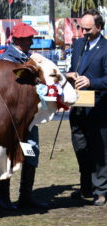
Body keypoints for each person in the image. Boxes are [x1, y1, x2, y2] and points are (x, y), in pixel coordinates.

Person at [0, 22, 49, 210]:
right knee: (9, 156)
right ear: (18, 40)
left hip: (28, 118)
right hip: (11, 119)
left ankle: (25, 196)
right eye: (28, 39)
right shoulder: (7, 61)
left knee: (31, 152)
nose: (31, 42)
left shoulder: (28, 58)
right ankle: (3, 197)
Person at [66, 9, 107, 206]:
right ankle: (86, 188)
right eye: (81, 28)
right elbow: (75, 69)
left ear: (99, 27)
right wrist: (70, 75)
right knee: (81, 149)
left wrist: (92, 82)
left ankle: (101, 191)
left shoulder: (106, 48)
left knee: (99, 151)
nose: (83, 32)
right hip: (78, 107)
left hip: (99, 109)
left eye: (88, 29)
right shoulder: (78, 45)